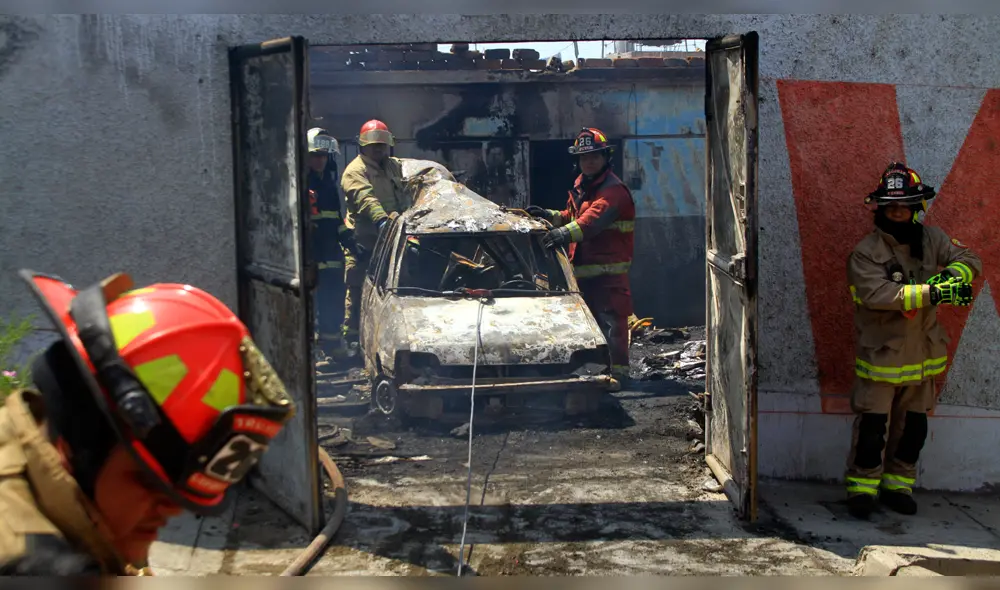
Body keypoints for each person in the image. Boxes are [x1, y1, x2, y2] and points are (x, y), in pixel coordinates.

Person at [0, 269, 296, 574]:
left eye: (174, 490)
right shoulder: (31, 565)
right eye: (147, 480)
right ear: (74, 443)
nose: (173, 508)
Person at [844, 161, 981, 519]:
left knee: (913, 430)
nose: (898, 211)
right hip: (882, 357)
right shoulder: (865, 252)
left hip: (923, 357)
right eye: (891, 206)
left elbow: (969, 259)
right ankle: (862, 489)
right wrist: (935, 291)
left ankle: (897, 486)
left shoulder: (933, 240)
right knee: (873, 432)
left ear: (917, 207)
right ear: (880, 209)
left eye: (905, 205)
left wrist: (953, 275)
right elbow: (878, 294)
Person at [526, 127, 636, 384]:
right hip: (584, 274)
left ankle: (621, 377)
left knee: (613, 326)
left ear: (606, 157)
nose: (589, 161)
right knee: (592, 328)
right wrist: (548, 215)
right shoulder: (581, 187)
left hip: (608, 275)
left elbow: (589, 223)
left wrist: (561, 235)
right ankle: (598, 374)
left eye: (595, 156)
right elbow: (571, 217)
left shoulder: (614, 191)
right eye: (584, 157)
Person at [340, 119, 410, 348]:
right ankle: (350, 339)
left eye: (383, 144)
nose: (379, 149)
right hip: (364, 240)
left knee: (391, 288)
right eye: (374, 145)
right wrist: (381, 220)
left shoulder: (393, 166)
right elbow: (365, 198)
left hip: (394, 238)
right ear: (363, 146)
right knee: (359, 287)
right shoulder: (355, 171)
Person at [307, 127, 356, 365]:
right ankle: (313, 352)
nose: (320, 160)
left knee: (334, 299)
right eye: (316, 155)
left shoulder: (327, 184)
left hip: (332, 253)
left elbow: (336, 220)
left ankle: (334, 347)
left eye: (324, 156)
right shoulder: (301, 185)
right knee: (311, 303)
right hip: (311, 253)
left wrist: (350, 241)